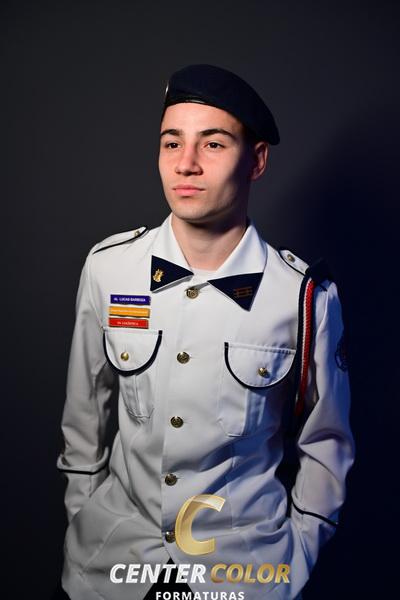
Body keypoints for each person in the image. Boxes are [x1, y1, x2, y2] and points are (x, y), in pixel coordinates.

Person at [55, 64, 355, 600]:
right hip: (110, 571)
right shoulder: (108, 268)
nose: (186, 163)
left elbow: (325, 443)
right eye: (172, 143)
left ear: (256, 161)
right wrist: (85, 518)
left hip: (242, 575)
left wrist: (301, 549)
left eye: (212, 144)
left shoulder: (304, 296)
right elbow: (85, 423)